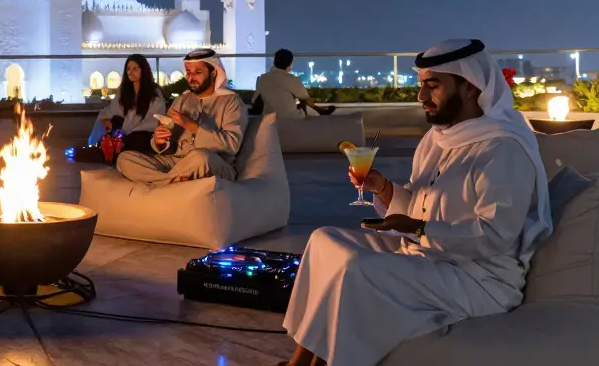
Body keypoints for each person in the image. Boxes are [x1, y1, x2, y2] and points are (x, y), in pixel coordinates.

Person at [282, 39, 551, 366]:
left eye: (432, 86)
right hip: (426, 253)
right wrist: (383, 188)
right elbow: (420, 203)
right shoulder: (438, 140)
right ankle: (300, 360)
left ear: (469, 86)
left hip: (478, 278)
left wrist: (420, 229)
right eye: (420, 85)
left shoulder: (502, 148)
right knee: (324, 241)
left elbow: (495, 236)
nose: (421, 96)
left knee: (358, 269)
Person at [114, 48, 247, 187]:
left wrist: (194, 127)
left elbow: (231, 145)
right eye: (188, 72)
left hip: (213, 162)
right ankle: (170, 181)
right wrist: (159, 141)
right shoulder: (182, 99)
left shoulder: (231, 102)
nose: (191, 78)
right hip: (177, 161)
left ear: (213, 72)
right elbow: (164, 141)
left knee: (201, 157)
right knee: (125, 158)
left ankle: (162, 182)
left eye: (198, 72)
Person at [87, 54, 166, 152]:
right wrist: (105, 119)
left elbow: (152, 121)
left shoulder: (154, 92)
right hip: (125, 132)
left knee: (134, 140)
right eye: (128, 69)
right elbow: (113, 109)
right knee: (110, 136)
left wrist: (129, 133)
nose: (130, 72)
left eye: (135, 69)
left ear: (143, 70)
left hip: (144, 134)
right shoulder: (124, 90)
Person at [253, 49, 335, 119]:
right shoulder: (293, 79)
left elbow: (255, 100)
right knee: (305, 103)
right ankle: (321, 111)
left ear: (274, 62)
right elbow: (306, 99)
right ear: (290, 64)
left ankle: (320, 111)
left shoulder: (262, 78)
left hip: (269, 117)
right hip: (291, 117)